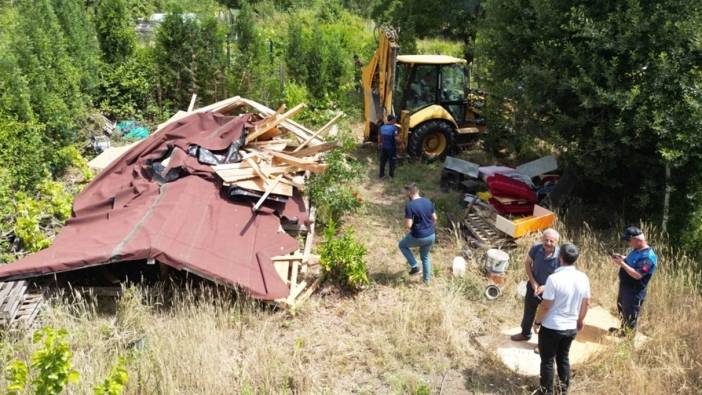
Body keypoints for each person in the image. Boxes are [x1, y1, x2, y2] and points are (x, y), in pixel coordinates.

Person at [533, 243, 590, 395]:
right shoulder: (583, 278)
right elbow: (586, 302)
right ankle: (563, 391)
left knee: (547, 361)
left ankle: (547, 392)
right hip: (570, 327)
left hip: (552, 327)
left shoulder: (554, 279)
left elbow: (545, 306)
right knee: (563, 358)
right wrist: (580, 320)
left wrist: (537, 322)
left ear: (560, 258)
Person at [511, 229, 561, 343]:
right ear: (542, 239)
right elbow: (527, 263)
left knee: (546, 317)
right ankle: (525, 334)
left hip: (550, 291)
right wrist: (533, 282)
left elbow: (561, 277)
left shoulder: (560, 256)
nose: (548, 243)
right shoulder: (536, 248)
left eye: (551, 241)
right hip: (533, 287)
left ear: (556, 242)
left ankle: (542, 343)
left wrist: (545, 287)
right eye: (546, 240)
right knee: (528, 311)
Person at [610, 225, 657, 334]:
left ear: (637, 240)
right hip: (625, 287)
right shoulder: (637, 250)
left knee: (631, 315)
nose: (627, 242)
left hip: (634, 291)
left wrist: (621, 263)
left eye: (628, 240)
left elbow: (637, 275)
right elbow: (632, 261)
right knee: (622, 310)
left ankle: (629, 343)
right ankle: (623, 331)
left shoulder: (648, 257)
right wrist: (622, 258)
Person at [398, 183, 437, 283]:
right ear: (418, 191)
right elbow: (435, 218)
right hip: (431, 235)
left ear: (410, 193)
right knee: (425, 257)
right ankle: (427, 281)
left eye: (407, 193)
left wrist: (405, 224)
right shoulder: (428, 201)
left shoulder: (410, 205)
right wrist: (428, 227)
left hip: (419, 236)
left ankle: (415, 266)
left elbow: (409, 225)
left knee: (402, 245)